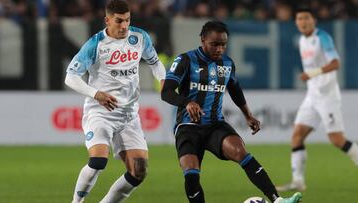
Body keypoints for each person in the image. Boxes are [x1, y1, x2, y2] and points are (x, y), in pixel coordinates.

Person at [161, 20, 302, 203]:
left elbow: (235, 90)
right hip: (188, 127)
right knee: (192, 175)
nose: (219, 49)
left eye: (223, 45)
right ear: (203, 40)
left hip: (215, 125)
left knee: (241, 152)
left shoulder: (227, 64)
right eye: (214, 44)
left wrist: (248, 115)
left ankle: (277, 200)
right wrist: (187, 102)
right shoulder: (185, 60)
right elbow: (166, 92)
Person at [64, 0, 166, 202]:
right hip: (100, 112)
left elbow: (155, 63)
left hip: (128, 115)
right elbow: (70, 77)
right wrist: (96, 94)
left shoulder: (139, 37)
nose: (124, 26)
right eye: (119, 21)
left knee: (139, 171)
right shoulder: (95, 44)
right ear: (107, 20)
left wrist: (164, 80)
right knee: (98, 161)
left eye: (127, 20)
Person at [276, 8, 358, 192]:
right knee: (297, 136)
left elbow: (336, 63)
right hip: (312, 96)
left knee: (336, 139)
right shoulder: (302, 40)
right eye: (299, 18)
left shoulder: (323, 37)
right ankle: (298, 181)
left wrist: (313, 73)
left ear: (314, 20)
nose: (302, 21)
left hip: (328, 95)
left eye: (306, 18)